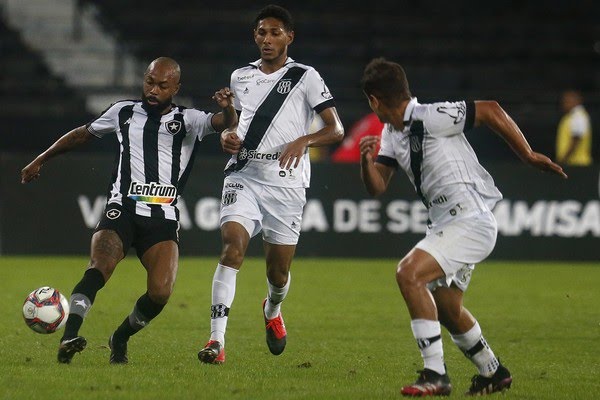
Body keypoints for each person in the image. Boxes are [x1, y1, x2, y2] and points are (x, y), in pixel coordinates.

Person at [358, 58, 567, 396]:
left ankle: (435, 374)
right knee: (447, 310)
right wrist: (366, 163)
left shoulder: (431, 116)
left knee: (408, 274)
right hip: (445, 223)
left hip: (470, 219)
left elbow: (490, 110)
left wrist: (527, 155)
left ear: (374, 100)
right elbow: (377, 186)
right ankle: (493, 372)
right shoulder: (391, 133)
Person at [21, 57, 237, 364]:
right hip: (121, 209)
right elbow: (82, 133)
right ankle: (69, 336)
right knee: (99, 267)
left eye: (163, 85)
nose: (154, 90)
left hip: (162, 219)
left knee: (161, 293)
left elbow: (224, 122)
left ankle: (119, 338)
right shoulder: (122, 111)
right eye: (149, 82)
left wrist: (228, 107)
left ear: (176, 87)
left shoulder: (189, 120)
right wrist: (41, 159)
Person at [197, 4, 344, 364]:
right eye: (262, 32)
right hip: (243, 173)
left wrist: (304, 141)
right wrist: (228, 136)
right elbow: (237, 124)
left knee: (278, 273)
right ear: (255, 36)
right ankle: (216, 342)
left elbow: (335, 128)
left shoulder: (306, 76)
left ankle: (272, 309)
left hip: (286, 183)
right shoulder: (240, 77)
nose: (267, 39)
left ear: (289, 37)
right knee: (232, 249)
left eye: (275, 32)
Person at [556, 89, 592, 166]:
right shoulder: (571, 116)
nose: (564, 104)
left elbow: (576, 140)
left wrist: (562, 159)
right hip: (573, 163)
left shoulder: (578, 117)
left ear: (576, 101)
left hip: (577, 164)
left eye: (567, 101)